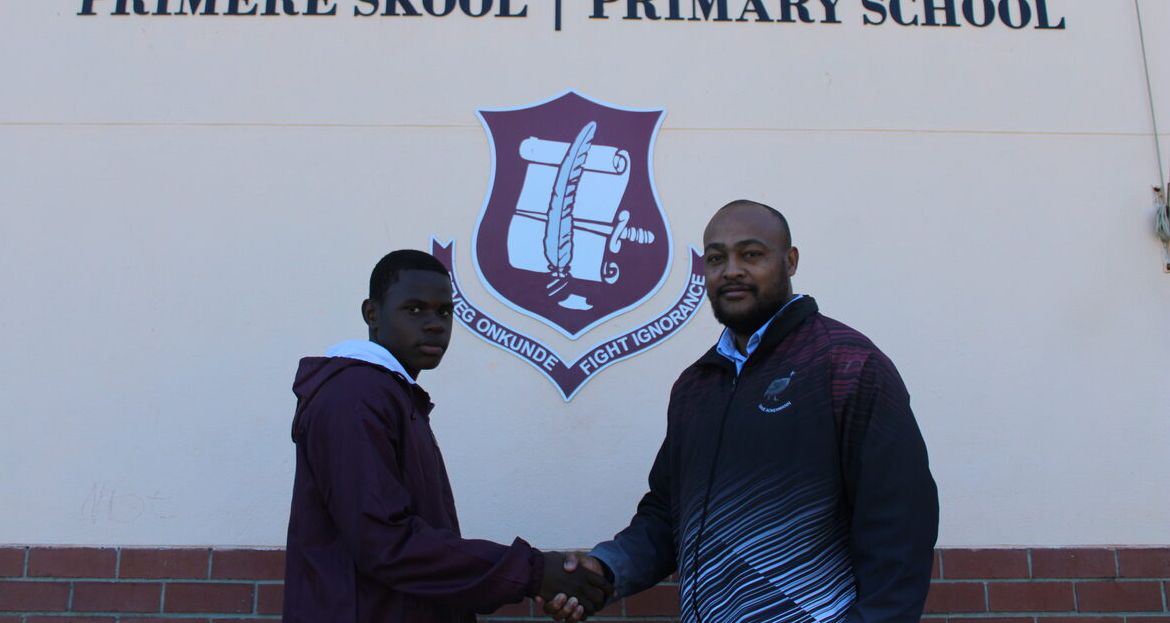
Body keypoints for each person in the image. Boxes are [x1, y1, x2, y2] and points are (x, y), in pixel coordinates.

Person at [543, 201, 939, 623]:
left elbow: (900, 527)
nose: (731, 270)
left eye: (751, 254)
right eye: (716, 258)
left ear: (790, 261)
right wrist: (605, 570)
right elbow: (666, 515)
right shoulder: (695, 387)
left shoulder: (847, 366)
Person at [284, 249, 610, 623]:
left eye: (444, 311)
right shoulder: (354, 397)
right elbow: (384, 542)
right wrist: (534, 573)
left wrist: (537, 575)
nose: (436, 324)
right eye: (415, 309)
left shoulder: (392, 395)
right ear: (371, 314)